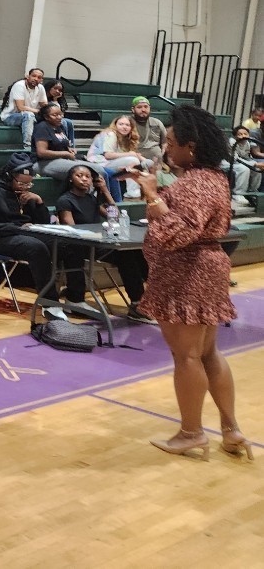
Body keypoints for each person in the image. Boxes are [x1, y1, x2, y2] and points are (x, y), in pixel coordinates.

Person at [132, 104, 252, 460]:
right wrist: (155, 195)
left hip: (188, 271)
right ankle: (230, 430)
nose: (167, 148)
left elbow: (178, 233)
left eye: (171, 142)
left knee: (186, 356)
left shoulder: (196, 183)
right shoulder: (213, 178)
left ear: (192, 146)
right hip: (206, 268)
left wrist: (153, 196)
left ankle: (191, 433)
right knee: (208, 353)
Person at [54, 164, 155, 324]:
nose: (84, 179)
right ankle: (137, 305)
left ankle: (146, 299)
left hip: (101, 243)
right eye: (79, 176)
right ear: (71, 179)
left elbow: (114, 216)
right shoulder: (65, 200)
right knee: (126, 255)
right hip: (82, 246)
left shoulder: (91, 199)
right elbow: (71, 228)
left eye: (87, 176)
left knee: (136, 251)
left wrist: (106, 190)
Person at [0, 154, 69, 321]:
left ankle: (75, 297)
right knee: (35, 247)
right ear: (8, 176)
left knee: (65, 244)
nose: (25, 187)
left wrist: (39, 202)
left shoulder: (27, 195)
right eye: (21, 183)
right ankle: (50, 304)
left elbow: (43, 223)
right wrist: (17, 228)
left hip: (22, 234)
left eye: (28, 183)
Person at [87, 115, 151, 200]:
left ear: (131, 127)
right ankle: (132, 192)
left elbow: (128, 155)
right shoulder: (111, 134)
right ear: (115, 125)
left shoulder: (125, 138)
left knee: (142, 163)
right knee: (133, 161)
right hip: (97, 164)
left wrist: (144, 160)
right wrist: (131, 154)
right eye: (121, 124)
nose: (124, 127)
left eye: (127, 125)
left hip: (108, 163)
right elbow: (108, 155)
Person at [0, 67, 47, 151]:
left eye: (39, 77)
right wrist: (40, 111)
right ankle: (27, 147)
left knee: (63, 121)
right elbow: (21, 107)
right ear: (28, 76)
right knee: (28, 115)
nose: (36, 79)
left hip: (31, 116)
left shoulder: (41, 88)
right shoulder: (19, 85)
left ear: (41, 80)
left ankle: (66, 146)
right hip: (10, 116)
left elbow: (45, 106)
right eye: (34, 76)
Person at [130, 97, 167, 168]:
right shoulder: (128, 123)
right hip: (136, 160)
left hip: (157, 162)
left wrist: (162, 154)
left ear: (149, 108)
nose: (143, 110)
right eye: (139, 107)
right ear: (133, 109)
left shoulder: (157, 122)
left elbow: (165, 142)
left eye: (146, 107)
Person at [230, 126, 264, 194]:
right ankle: (239, 193)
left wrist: (255, 164)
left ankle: (253, 191)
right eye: (240, 134)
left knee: (257, 169)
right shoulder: (232, 142)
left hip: (241, 161)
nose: (243, 136)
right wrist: (255, 164)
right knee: (244, 169)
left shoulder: (247, 143)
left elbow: (247, 157)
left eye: (245, 134)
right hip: (229, 162)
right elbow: (235, 159)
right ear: (235, 136)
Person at [44, 78, 76, 145]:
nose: (57, 91)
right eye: (55, 88)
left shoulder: (60, 100)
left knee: (69, 122)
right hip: (46, 118)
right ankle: (64, 143)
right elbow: (49, 112)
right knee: (63, 122)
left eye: (60, 90)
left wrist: (55, 99)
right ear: (49, 88)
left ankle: (71, 145)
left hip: (56, 118)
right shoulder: (43, 97)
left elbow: (61, 114)